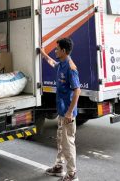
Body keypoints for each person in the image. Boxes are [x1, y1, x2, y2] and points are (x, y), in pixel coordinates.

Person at [40, 38, 81, 181]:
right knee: (60, 140)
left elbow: (77, 91)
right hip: (62, 111)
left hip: (68, 113)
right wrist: (43, 54)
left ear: (63, 51)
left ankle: (72, 174)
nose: (55, 50)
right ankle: (59, 167)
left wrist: (69, 112)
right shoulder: (61, 64)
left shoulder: (71, 67)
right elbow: (52, 63)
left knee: (67, 143)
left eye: (57, 49)